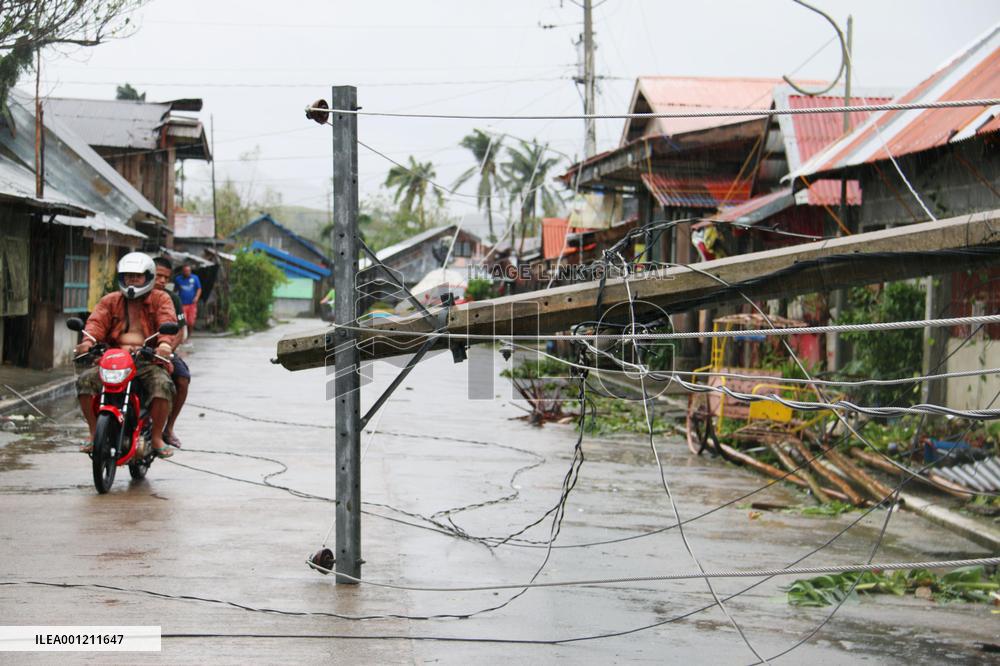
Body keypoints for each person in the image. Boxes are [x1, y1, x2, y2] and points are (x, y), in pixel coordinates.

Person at [75, 252, 178, 458]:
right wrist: (87, 342)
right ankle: (94, 432)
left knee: (163, 385)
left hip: (146, 359)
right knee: (85, 381)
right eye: (128, 275)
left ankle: (157, 437)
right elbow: (95, 323)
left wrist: (165, 345)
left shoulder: (161, 299)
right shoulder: (110, 300)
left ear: (148, 277)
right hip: (113, 359)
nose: (132, 280)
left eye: (137, 276)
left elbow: (168, 322)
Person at [154, 257, 190, 449]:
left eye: (164, 277)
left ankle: (168, 428)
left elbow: (179, 331)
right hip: (131, 351)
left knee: (182, 378)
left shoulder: (172, 299)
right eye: (157, 275)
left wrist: (166, 351)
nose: (161, 280)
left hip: (163, 350)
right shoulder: (130, 295)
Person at [174, 263, 202, 331]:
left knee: (191, 322)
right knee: (183, 321)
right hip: (182, 304)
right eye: (186, 271)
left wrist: (196, 297)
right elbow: (175, 290)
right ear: (183, 271)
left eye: (189, 271)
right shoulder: (178, 279)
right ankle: (184, 337)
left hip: (192, 304)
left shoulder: (195, 278)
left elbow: (199, 289)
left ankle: (189, 335)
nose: (187, 272)